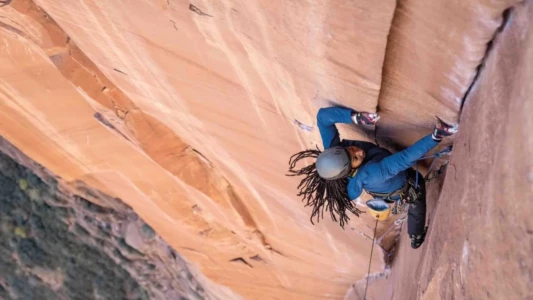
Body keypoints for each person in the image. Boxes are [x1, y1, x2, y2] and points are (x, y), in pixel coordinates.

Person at [287, 106, 458, 248]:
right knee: (417, 194)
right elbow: (405, 158)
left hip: (383, 184)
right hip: (402, 185)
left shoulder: (334, 155)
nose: (358, 151)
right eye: (355, 158)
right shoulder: (371, 173)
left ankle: (415, 234)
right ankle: (416, 237)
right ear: (348, 171)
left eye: (351, 148)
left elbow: (323, 117)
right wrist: (437, 135)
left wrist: (356, 118)